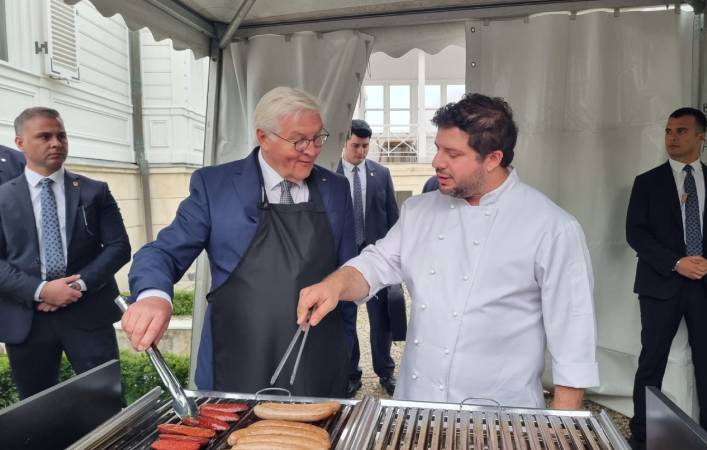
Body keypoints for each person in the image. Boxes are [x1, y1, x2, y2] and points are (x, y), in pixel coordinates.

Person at [298, 93, 599, 409]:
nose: (436, 161)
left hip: (501, 412)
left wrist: (558, 429)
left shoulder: (552, 227)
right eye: (438, 148)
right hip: (417, 406)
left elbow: (573, 339)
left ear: (493, 158)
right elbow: (376, 263)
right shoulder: (418, 211)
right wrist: (334, 285)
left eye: (452, 153)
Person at [123, 87, 357, 397]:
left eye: (318, 138)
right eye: (299, 140)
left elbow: (349, 274)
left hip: (316, 362)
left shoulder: (336, 189)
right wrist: (153, 295)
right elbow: (162, 252)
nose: (312, 150)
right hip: (236, 361)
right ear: (264, 137)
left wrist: (348, 359)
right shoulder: (214, 186)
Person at [625, 107, 707, 449]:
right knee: (650, 363)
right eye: (668, 131)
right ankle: (642, 436)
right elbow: (636, 233)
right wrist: (676, 262)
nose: (672, 138)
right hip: (661, 285)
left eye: (681, 131)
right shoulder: (647, 182)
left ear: (701, 136)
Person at [0, 107, 130, 399]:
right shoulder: (3, 197)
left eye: (61, 135)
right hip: (27, 319)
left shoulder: (94, 192)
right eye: (44, 136)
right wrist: (41, 290)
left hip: (87, 312)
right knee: (35, 409)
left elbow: (119, 247)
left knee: (106, 401)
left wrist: (77, 285)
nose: (56, 143)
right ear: (20, 143)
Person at [337, 119, 400, 397]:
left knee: (381, 320)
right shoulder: (331, 175)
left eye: (365, 146)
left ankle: (385, 371)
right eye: (356, 146)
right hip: (343, 259)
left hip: (378, 259)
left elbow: (393, 219)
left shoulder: (382, 174)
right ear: (344, 143)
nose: (361, 152)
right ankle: (351, 374)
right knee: (346, 320)